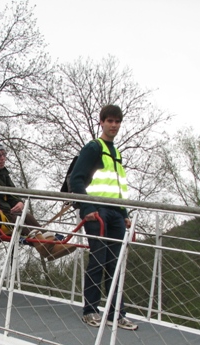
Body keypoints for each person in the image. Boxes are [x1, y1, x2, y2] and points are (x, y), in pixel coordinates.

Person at [69, 105, 137, 330]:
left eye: (117, 122)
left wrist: (125, 213)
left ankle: (116, 313)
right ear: (102, 122)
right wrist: (87, 209)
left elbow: (119, 187)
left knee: (114, 265)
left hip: (115, 213)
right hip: (97, 211)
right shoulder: (93, 147)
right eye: (110, 121)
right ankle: (90, 310)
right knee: (98, 260)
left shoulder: (116, 152)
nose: (114, 125)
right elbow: (76, 180)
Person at [0, 138, 77, 260]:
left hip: (9, 211)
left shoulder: (3, 174)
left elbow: (13, 193)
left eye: (4, 154)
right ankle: (46, 249)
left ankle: (51, 243)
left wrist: (19, 202)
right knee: (19, 221)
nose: (2, 158)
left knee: (26, 215)